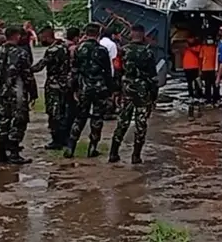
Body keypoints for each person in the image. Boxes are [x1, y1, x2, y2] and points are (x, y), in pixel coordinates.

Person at [109, 24, 159, 164]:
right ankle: (136, 156)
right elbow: (153, 78)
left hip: (126, 91)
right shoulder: (148, 53)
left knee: (122, 122)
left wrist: (116, 92)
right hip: (143, 93)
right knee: (141, 124)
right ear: (143, 35)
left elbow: (117, 73)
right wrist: (154, 97)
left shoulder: (123, 51)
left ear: (131, 34)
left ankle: (113, 153)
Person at [63, 23, 113, 159]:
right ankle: (92, 148)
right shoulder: (102, 50)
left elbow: (74, 70)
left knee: (79, 117)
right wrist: (111, 90)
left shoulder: (79, 49)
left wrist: (73, 89)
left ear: (86, 32)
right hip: (99, 88)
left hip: (83, 88)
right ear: (98, 33)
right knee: (97, 118)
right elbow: (108, 72)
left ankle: (70, 147)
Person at [0, 26, 38, 164]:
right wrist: (33, 93)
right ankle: (13, 153)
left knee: (3, 120)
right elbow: (27, 75)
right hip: (17, 92)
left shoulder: (0, 51)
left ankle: (1, 152)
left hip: (2, 92)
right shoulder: (20, 53)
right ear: (17, 36)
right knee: (18, 121)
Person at [31, 26, 72, 150]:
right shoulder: (64, 47)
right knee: (64, 112)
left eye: (41, 37)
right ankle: (65, 138)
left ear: (46, 36)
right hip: (65, 84)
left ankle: (57, 140)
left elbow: (40, 65)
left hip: (54, 85)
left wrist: (26, 69)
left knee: (54, 113)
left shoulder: (52, 50)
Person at [199, 35, 219, 105]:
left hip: (213, 69)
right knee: (207, 85)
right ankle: (208, 99)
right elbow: (201, 59)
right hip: (206, 69)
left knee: (215, 84)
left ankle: (215, 98)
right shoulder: (203, 48)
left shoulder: (216, 48)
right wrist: (200, 69)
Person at [182, 35, 201, 101]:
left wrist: (189, 48)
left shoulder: (198, 46)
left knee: (197, 81)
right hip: (187, 67)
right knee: (189, 82)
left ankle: (198, 94)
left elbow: (198, 51)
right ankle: (191, 95)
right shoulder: (185, 48)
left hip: (195, 66)